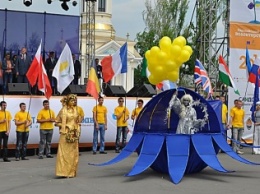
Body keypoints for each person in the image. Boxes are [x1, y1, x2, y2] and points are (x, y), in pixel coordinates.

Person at [55, 94, 81, 178]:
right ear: (68, 101)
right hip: (65, 134)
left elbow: (77, 121)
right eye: (72, 100)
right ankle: (63, 172)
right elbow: (56, 122)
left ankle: (71, 172)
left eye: (74, 100)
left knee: (73, 153)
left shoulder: (76, 110)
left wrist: (77, 128)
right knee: (64, 153)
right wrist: (66, 126)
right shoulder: (63, 111)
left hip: (73, 133)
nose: (74, 102)